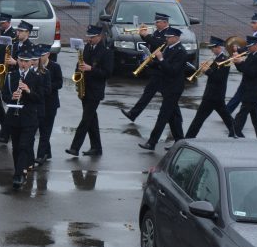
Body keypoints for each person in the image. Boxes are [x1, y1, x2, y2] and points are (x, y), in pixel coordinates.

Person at [67, 25, 113, 158]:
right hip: (84, 89)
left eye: (92, 37)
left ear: (100, 36)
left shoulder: (106, 52)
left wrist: (91, 69)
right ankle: (96, 147)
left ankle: (75, 148)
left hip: (95, 91)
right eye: (89, 37)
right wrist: (78, 73)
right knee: (92, 120)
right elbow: (80, 63)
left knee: (85, 120)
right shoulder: (87, 47)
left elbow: (107, 73)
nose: (90, 39)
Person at [138, 27, 187, 150]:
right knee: (173, 117)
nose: (167, 39)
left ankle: (152, 142)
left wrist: (160, 59)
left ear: (176, 38)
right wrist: (150, 62)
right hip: (166, 86)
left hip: (174, 88)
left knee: (163, 116)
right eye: (167, 37)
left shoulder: (181, 52)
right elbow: (162, 65)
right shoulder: (169, 48)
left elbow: (172, 70)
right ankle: (180, 142)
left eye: (169, 37)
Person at [1, 45, 42, 189]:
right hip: (14, 117)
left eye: (26, 61)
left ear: (31, 63)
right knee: (16, 147)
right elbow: (4, 95)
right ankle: (20, 171)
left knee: (24, 146)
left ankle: (18, 175)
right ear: (17, 60)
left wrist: (28, 91)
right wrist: (12, 97)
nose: (23, 64)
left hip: (29, 118)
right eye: (21, 60)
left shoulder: (36, 77)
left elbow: (40, 98)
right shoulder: (11, 76)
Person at [225, 13, 257, 125]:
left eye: (254, 22)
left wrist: (238, 51)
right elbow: (249, 47)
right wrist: (238, 50)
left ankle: (226, 113)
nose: (251, 24)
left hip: (255, 69)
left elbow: (250, 49)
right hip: (252, 69)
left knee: (254, 93)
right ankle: (227, 112)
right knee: (249, 92)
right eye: (251, 22)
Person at [121, 12, 171, 122]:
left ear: (165, 22)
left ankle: (133, 114)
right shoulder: (158, 32)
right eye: (156, 22)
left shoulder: (169, 33)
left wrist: (146, 35)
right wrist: (142, 34)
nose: (156, 24)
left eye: (158, 22)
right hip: (156, 67)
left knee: (165, 96)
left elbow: (159, 44)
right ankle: (133, 114)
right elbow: (151, 42)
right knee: (152, 93)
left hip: (162, 68)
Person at [185, 37, 235, 139]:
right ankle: (237, 133)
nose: (211, 50)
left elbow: (218, 78)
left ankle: (187, 139)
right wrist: (206, 68)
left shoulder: (224, 61)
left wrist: (206, 70)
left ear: (219, 47)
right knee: (227, 119)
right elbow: (214, 74)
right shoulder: (217, 59)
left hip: (213, 96)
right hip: (215, 96)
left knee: (198, 119)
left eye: (213, 48)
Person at [232, 37, 257, 140]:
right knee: (256, 119)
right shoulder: (252, 54)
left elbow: (251, 72)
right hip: (248, 90)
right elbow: (243, 70)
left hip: (253, 91)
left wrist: (241, 62)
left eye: (250, 46)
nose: (248, 48)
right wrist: (236, 62)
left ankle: (234, 132)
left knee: (241, 115)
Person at [35, 46, 62, 165]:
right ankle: (47, 152)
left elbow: (59, 83)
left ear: (48, 55)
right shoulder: (36, 67)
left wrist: (47, 86)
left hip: (51, 104)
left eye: (42, 55)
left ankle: (40, 155)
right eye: (39, 55)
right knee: (42, 129)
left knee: (46, 131)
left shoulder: (55, 67)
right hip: (39, 103)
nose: (40, 58)